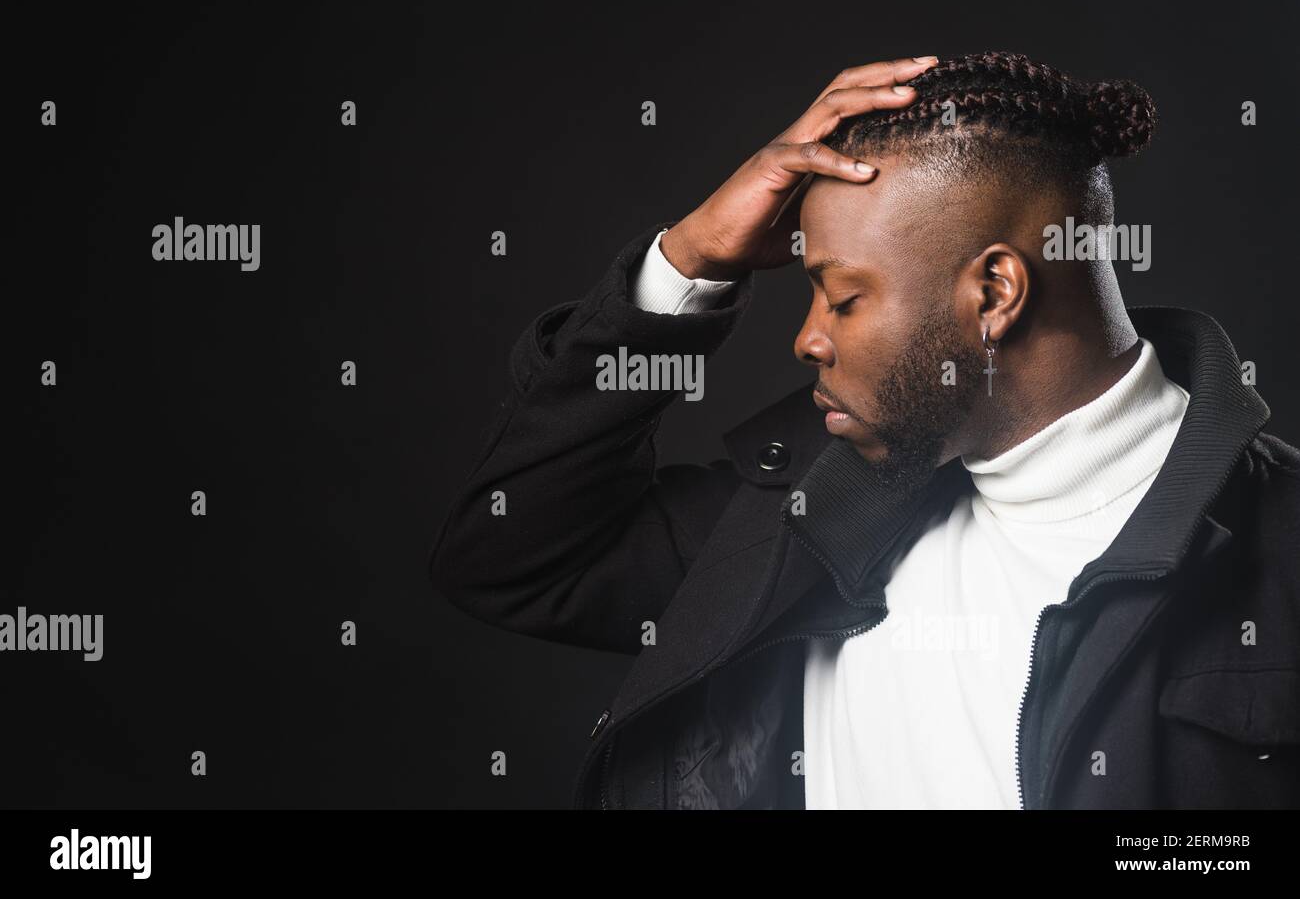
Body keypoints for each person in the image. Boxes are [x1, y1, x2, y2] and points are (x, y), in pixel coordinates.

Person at [428, 51, 1300, 809]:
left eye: (842, 297)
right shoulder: (800, 513)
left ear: (995, 292)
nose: (807, 338)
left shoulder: (1279, 549)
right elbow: (512, 555)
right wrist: (689, 261)